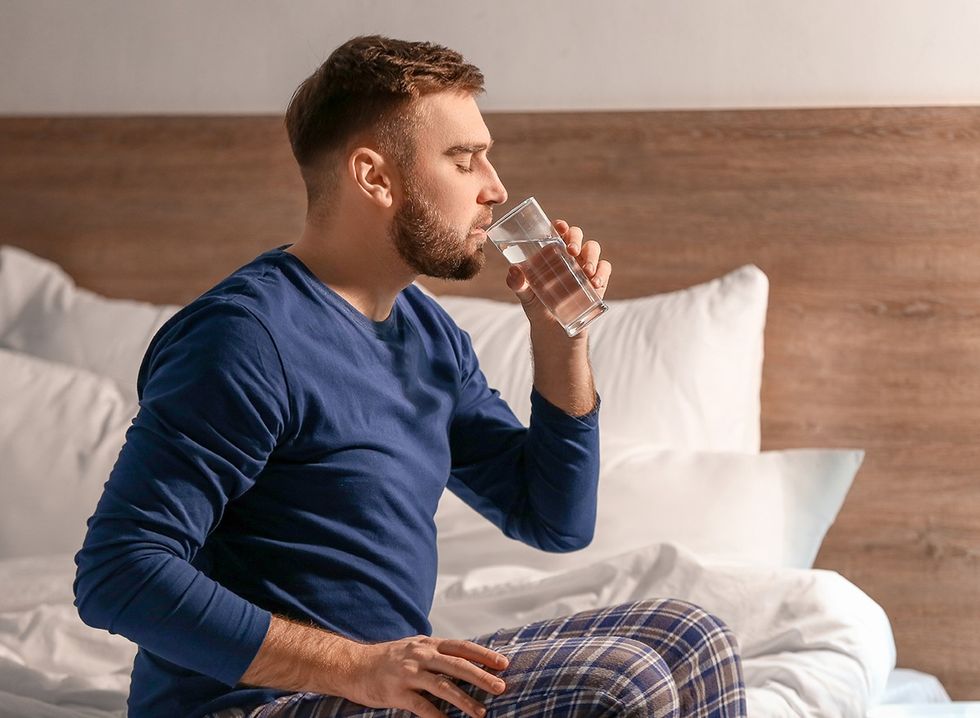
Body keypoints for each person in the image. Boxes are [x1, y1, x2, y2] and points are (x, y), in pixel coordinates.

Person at [73, 35, 747, 718]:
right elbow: (118, 573)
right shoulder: (243, 338)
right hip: (252, 706)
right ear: (375, 177)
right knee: (623, 682)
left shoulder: (427, 334)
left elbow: (553, 519)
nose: (496, 187)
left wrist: (559, 335)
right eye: (464, 160)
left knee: (694, 635)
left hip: (379, 692)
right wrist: (360, 667)